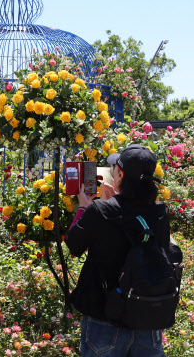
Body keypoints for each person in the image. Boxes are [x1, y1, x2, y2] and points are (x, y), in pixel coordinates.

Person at [66, 145, 181, 357]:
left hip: (105, 317)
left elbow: (74, 245)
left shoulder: (102, 210)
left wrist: (83, 206)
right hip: (147, 316)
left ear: (120, 174)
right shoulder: (159, 212)